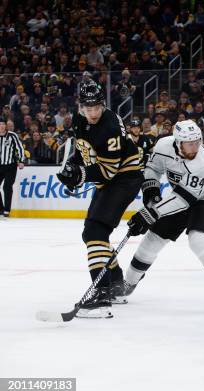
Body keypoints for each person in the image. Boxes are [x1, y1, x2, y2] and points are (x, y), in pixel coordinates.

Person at [124, 120, 204, 312]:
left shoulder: (202, 163)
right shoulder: (163, 145)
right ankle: (127, 284)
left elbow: (183, 200)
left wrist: (149, 213)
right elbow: (153, 169)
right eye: (190, 143)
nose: (195, 146)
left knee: (198, 239)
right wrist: (151, 191)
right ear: (178, 143)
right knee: (153, 238)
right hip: (179, 195)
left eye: (198, 141)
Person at [56, 80, 143, 318]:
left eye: (96, 107)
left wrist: (80, 175)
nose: (92, 112)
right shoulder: (80, 120)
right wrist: (73, 167)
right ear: (81, 107)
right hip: (110, 179)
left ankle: (102, 294)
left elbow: (108, 172)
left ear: (103, 105)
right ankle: (115, 283)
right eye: (87, 107)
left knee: (96, 231)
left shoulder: (111, 127)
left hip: (125, 177)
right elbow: (83, 151)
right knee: (91, 233)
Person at [0, 118, 25, 218]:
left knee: (7, 186)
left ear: (6, 125)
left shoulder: (12, 135)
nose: (1, 126)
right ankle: (1, 208)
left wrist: (21, 161)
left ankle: (6, 209)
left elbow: (20, 148)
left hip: (10, 165)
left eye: (2, 124)